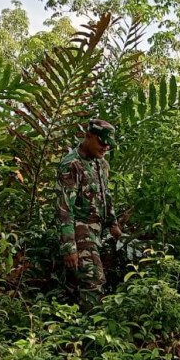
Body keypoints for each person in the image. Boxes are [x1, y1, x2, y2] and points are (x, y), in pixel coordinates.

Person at [55, 119, 123, 310]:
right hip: (80, 230)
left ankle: (69, 327)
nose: (106, 147)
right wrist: (69, 247)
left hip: (98, 230)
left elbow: (105, 194)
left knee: (76, 284)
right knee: (94, 281)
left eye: (109, 143)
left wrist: (113, 224)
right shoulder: (71, 165)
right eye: (102, 142)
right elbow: (64, 208)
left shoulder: (101, 163)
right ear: (88, 136)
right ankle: (93, 329)